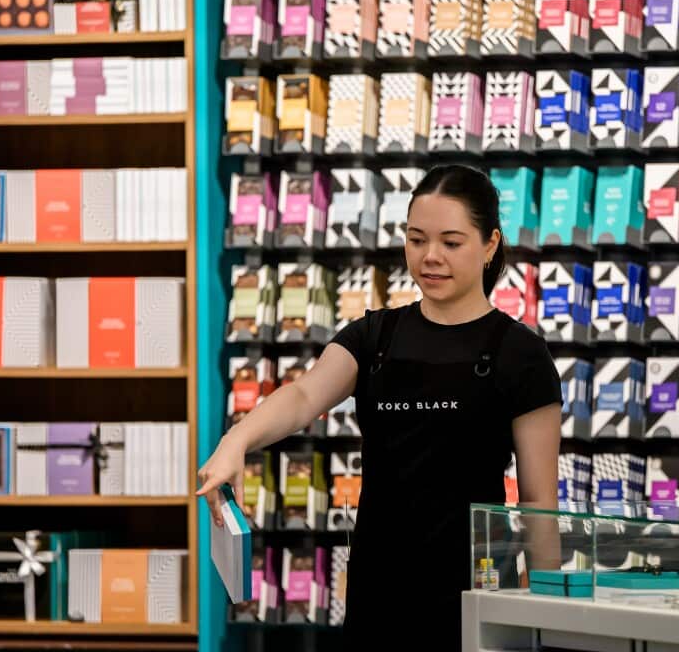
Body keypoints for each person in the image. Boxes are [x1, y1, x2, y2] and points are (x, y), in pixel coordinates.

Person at [196, 165, 562, 648]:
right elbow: (305, 395)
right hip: (377, 592)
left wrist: (548, 619)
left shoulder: (523, 355)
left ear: (490, 243)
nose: (431, 257)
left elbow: (539, 502)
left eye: (451, 243)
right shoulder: (375, 336)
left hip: (472, 594)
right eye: (416, 239)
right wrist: (235, 440)